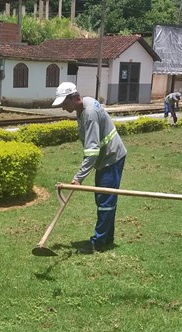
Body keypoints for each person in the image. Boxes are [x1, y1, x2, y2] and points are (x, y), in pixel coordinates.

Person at [52, 82, 127, 254]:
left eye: (64, 103)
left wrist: (78, 178)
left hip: (111, 158)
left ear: (74, 97)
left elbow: (92, 151)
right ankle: (107, 238)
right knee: (106, 199)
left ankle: (98, 242)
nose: (63, 108)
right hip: (106, 158)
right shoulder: (83, 107)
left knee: (105, 201)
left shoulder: (90, 113)